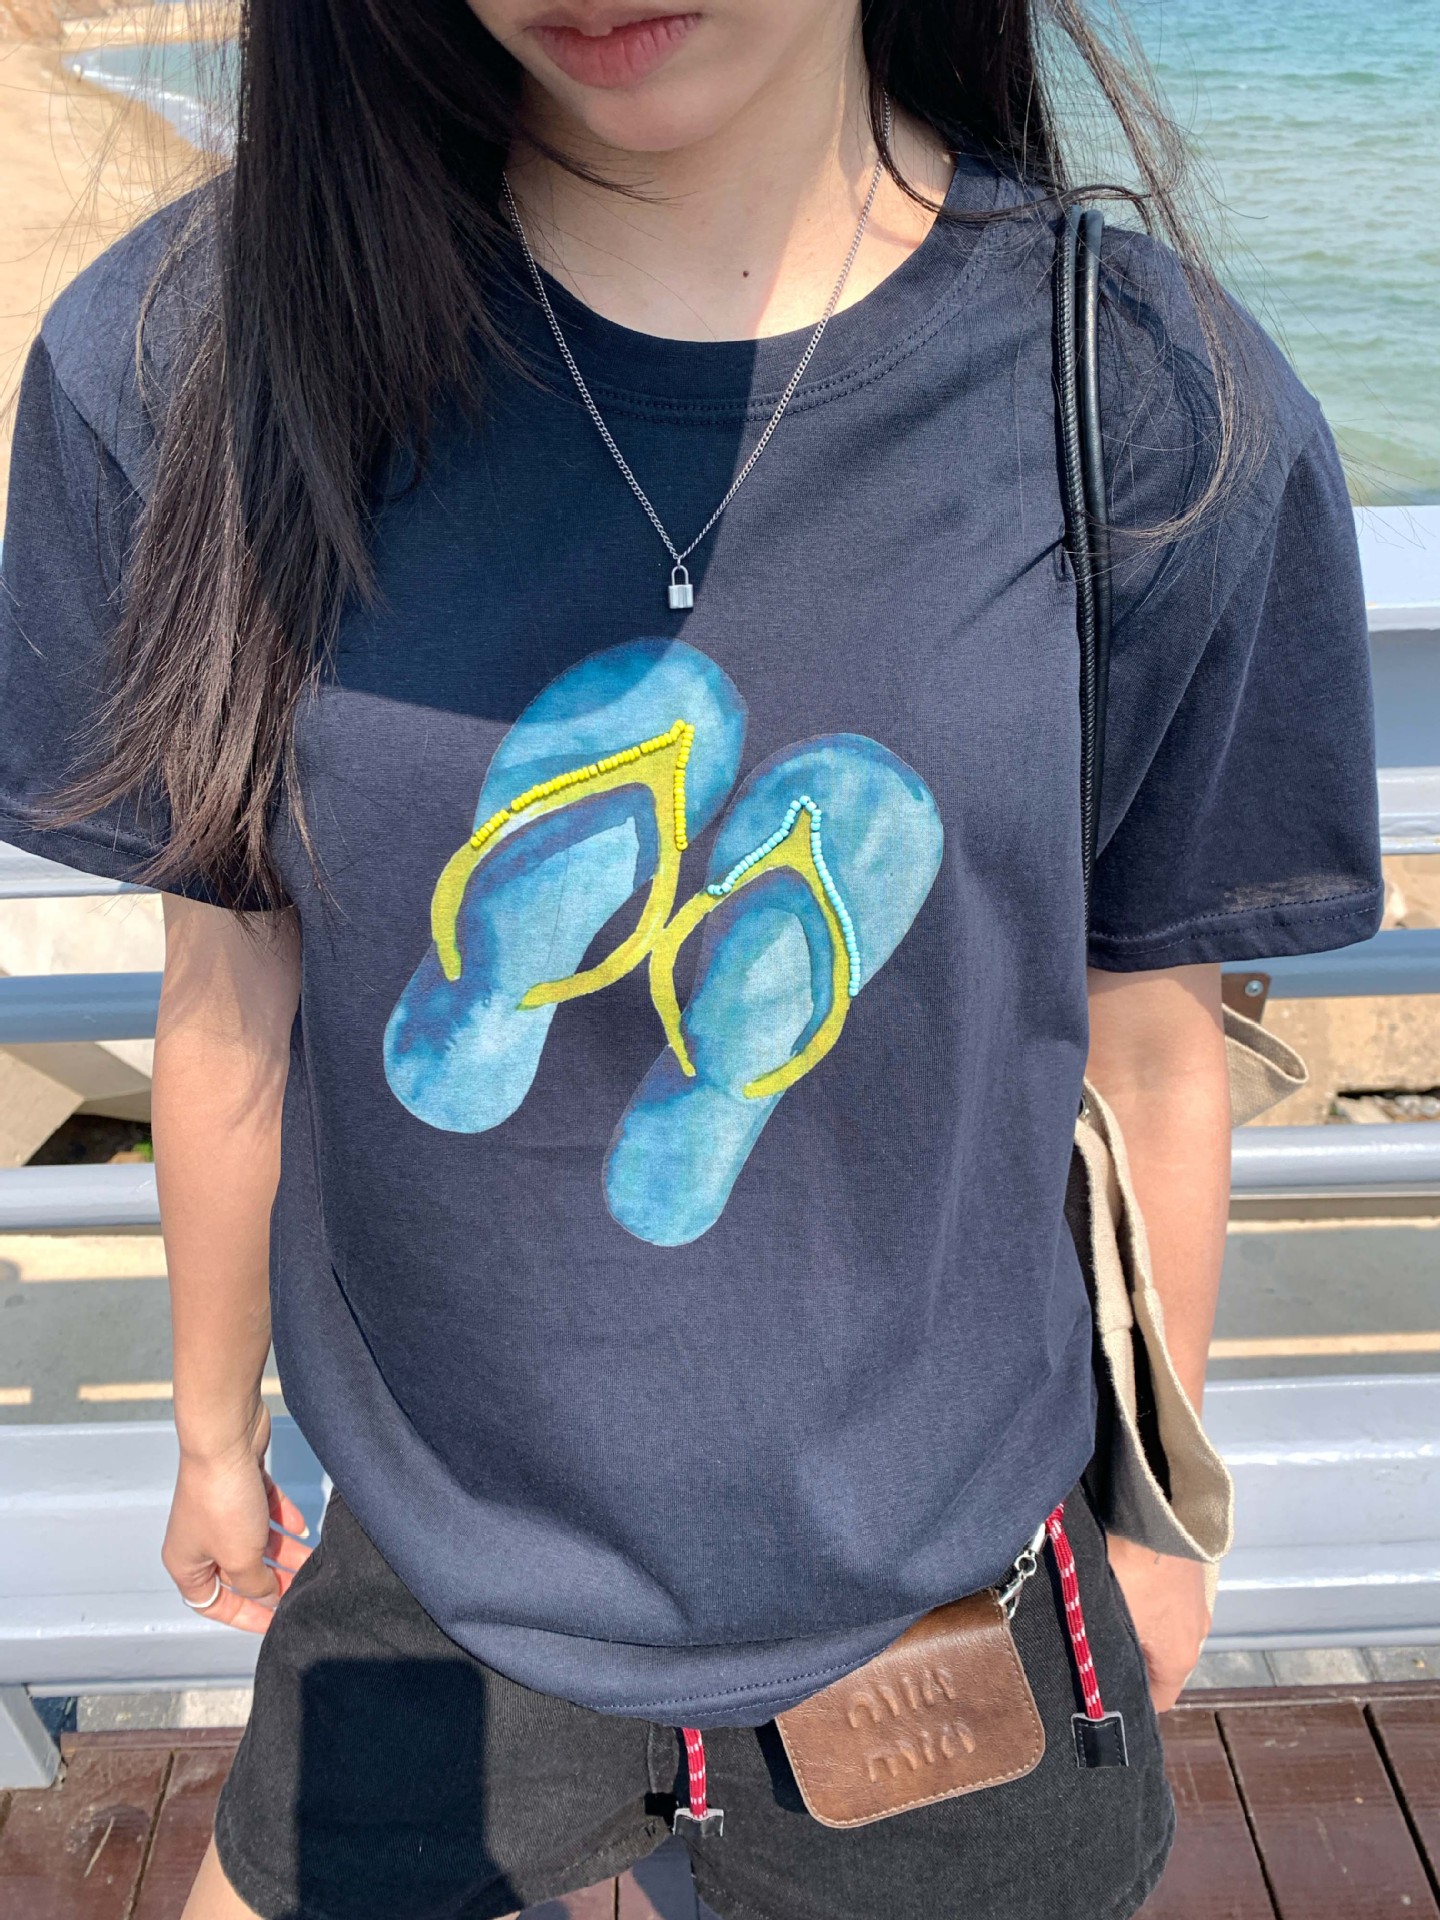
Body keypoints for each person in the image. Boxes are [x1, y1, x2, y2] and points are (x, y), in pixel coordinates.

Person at [0, 1, 1384, 1915]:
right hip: (431, 1536)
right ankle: (743, 956)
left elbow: (1152, 1050)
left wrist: (1158, 1525)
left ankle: (590, 934)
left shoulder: (1140, 401)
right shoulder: (200, 362)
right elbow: (227, 989)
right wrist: (210, 1432)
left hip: (946, 1563)